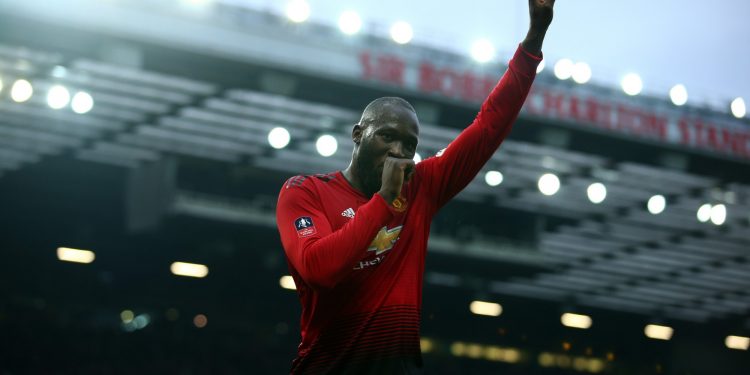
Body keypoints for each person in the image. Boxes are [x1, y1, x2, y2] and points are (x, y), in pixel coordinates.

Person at [276, 1, 556, 373]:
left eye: (409, 144)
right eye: (388, 136)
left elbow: (488, 127)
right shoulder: (305, 192)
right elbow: (319, 270)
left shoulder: (420, 189)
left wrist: (534, 38)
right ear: (358, 134)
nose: (399, 150)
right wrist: (383, 200)